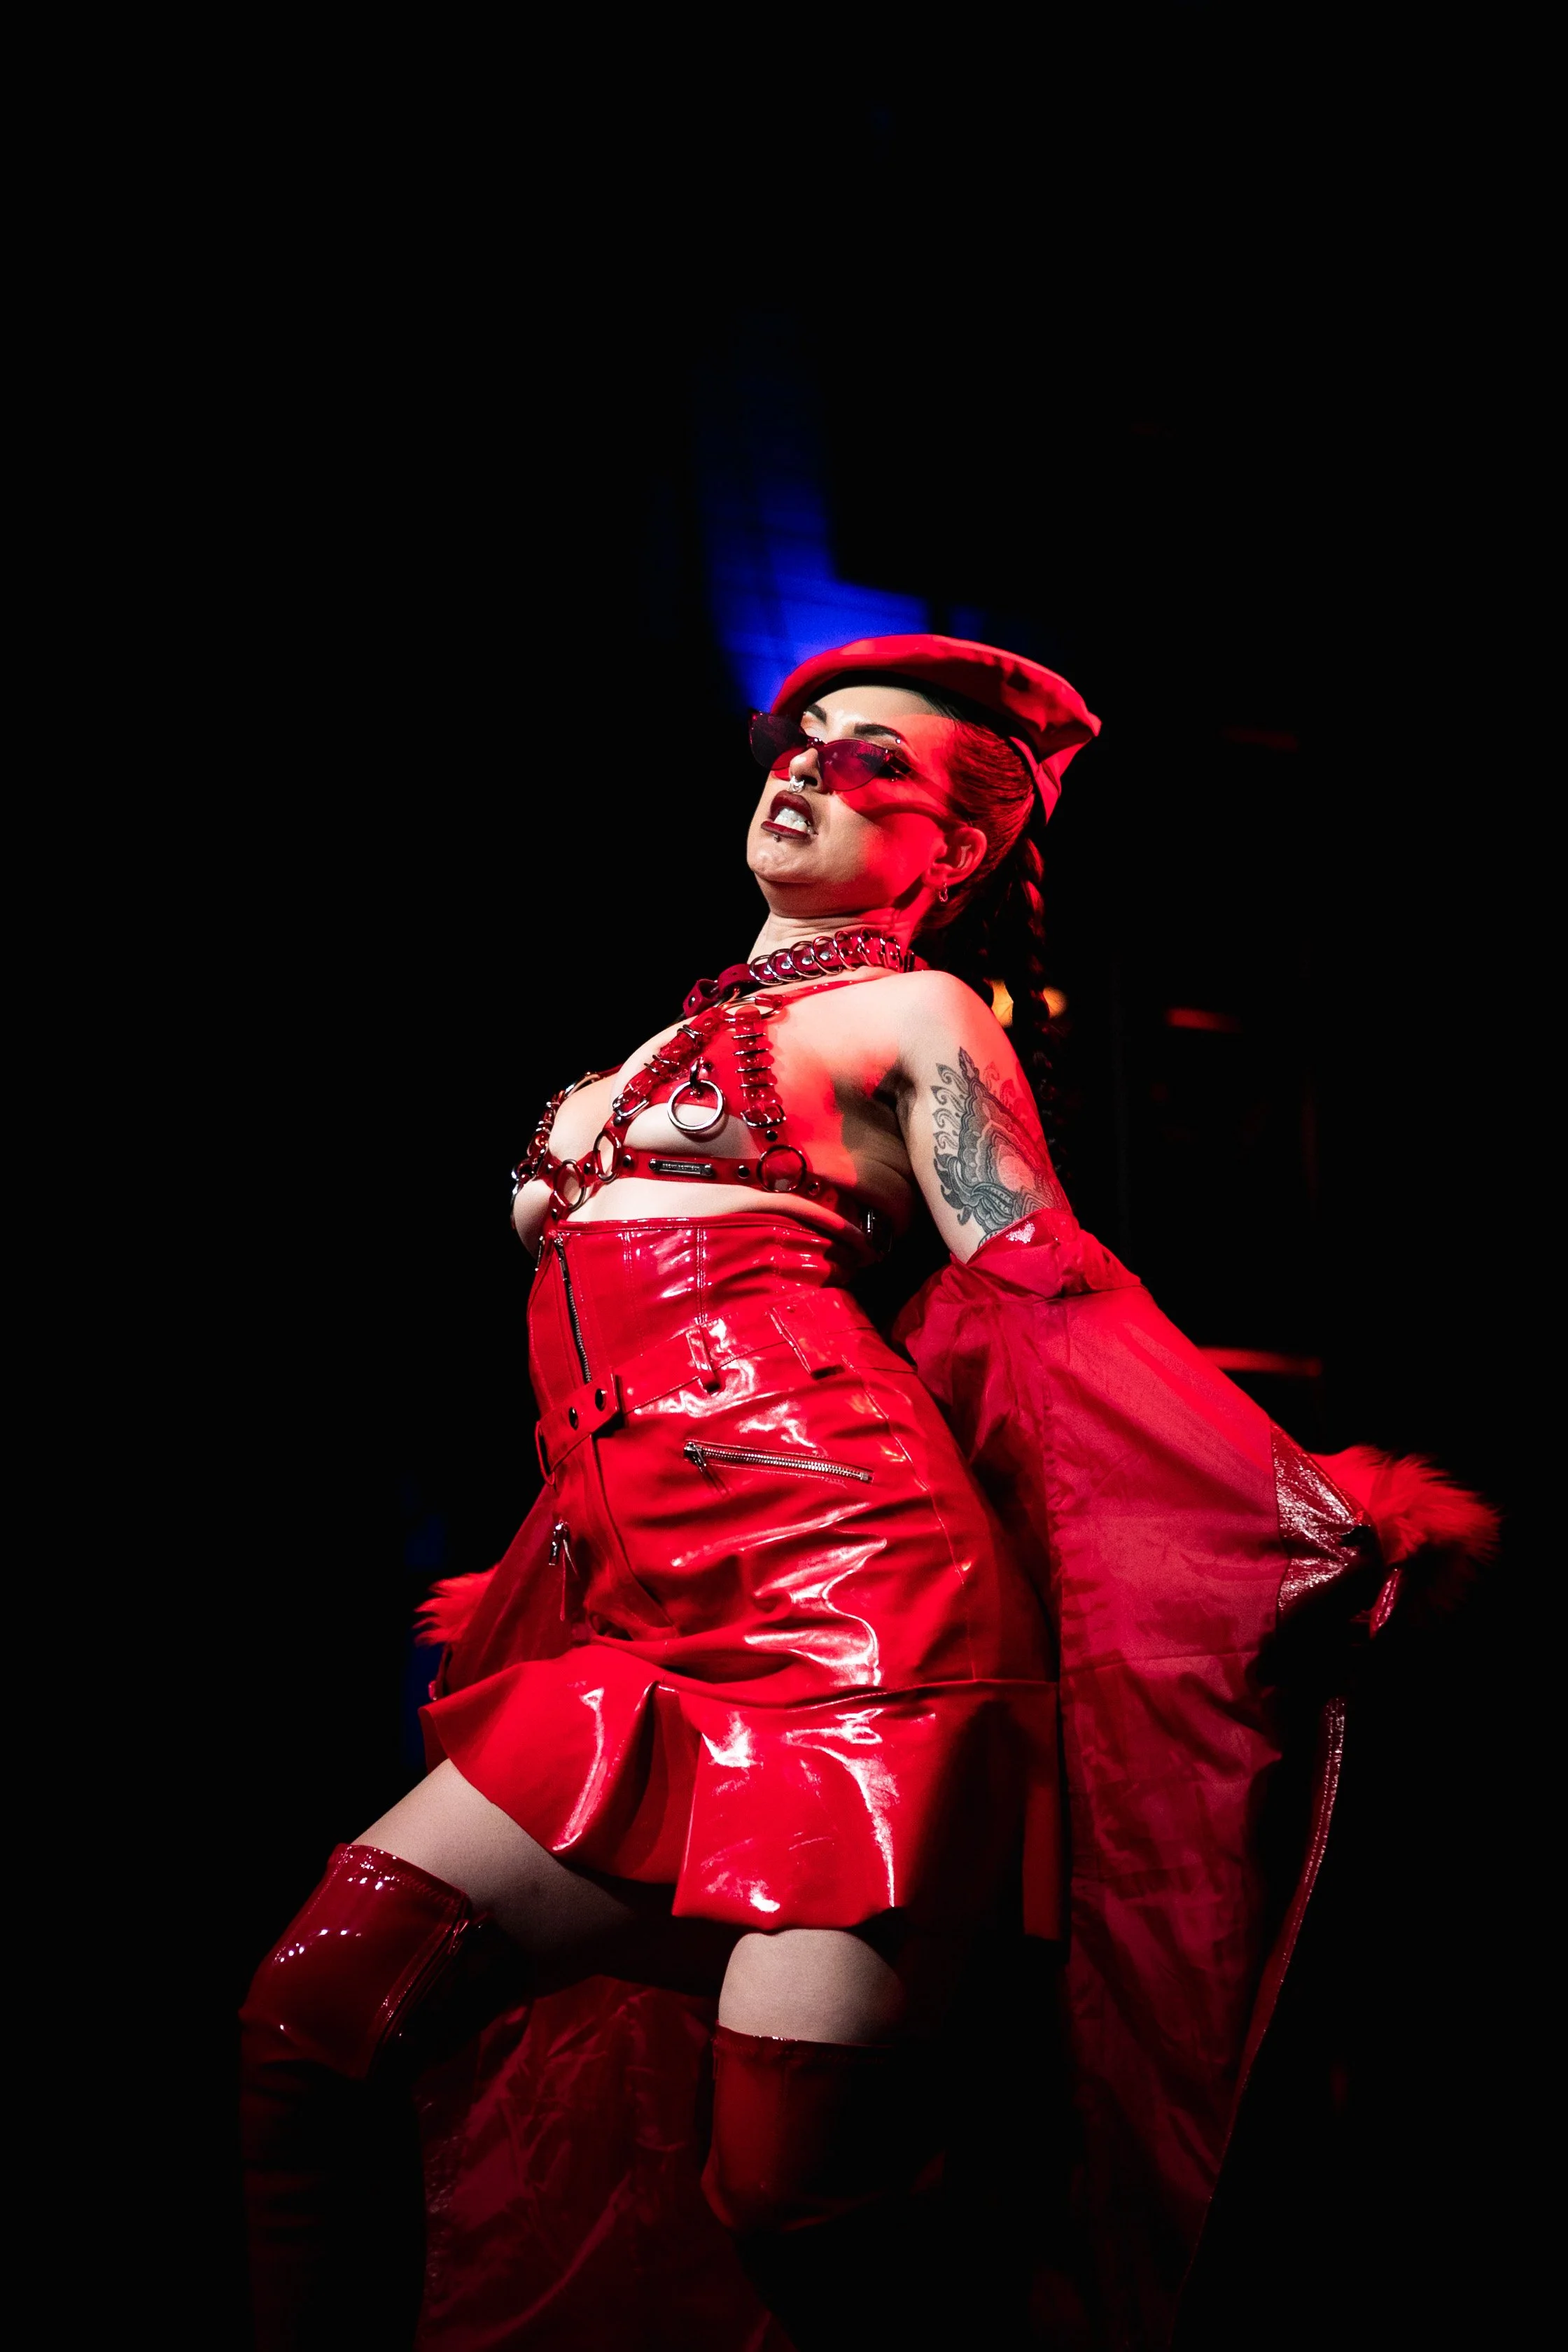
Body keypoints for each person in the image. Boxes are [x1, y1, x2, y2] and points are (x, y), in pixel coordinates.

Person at [241, 636, 1495, 2350]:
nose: (806, 772)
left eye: (871, 770)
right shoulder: (652, 1053)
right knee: (312, 2021)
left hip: (866, 1635)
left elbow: (1049, 1289)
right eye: (801, 743)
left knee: (790, 2197)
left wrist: (1283, 1502)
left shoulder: (912, 1014)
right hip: (648, 1638)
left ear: (955, 853)